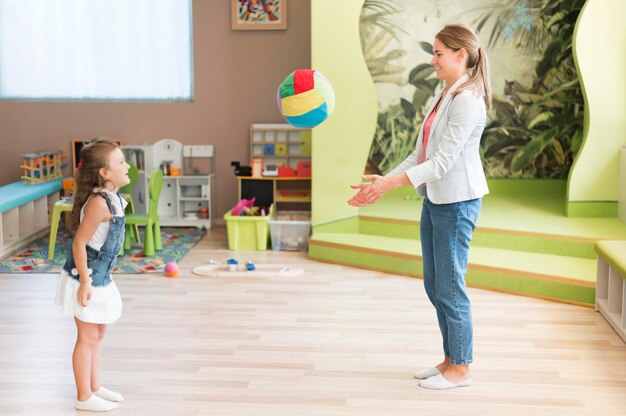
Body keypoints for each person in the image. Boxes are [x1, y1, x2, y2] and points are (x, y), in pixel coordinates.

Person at [348, 24, 491, 390]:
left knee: (450, 287)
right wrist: (381, 184)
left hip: (457, 203)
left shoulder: (468, 100)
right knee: (434, 284)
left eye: (439, 53)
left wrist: (393, 184)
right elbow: (419, 155)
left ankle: (461, 369)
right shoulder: (444, 94)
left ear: (461, 55)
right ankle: (449, 360)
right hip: (436, 199)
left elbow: (442, 163)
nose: (433, 59)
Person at [55, 138, 130, 410]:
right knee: (86, 338)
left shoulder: (115, 200)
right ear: (104, 172)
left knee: (98, 334)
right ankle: (83, 397)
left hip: (99, 277)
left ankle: (94, 386)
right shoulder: (99, 203)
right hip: (84, 277)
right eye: (121, 162)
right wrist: (86, 282)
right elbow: (78, 243)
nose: (128, 165)